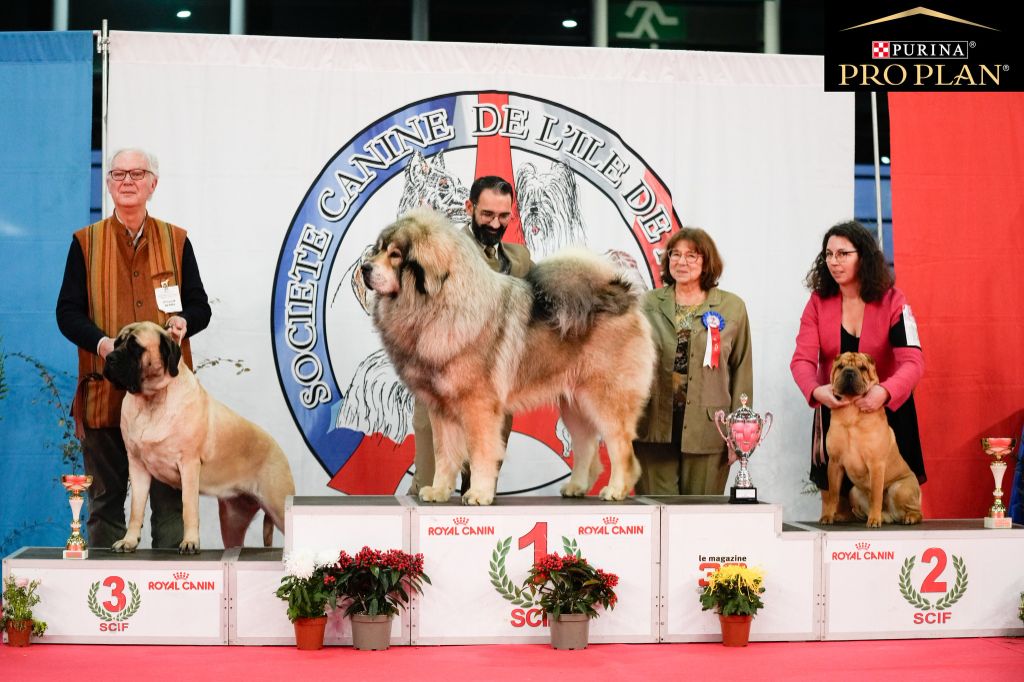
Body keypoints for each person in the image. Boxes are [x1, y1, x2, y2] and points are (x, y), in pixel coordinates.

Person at [56, 148, 212, 549]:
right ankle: (107, 603)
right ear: (107, 184)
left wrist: (185, 322)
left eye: (137, 173)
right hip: (105, 397)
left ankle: (173, 596)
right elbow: (67, 313)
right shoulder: (84, 243)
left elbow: (199, 305)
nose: (127, 181)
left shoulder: (177, 240)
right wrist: (103, 344)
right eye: (118, 174)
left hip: (171, 405)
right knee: (105, 502)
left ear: (153, 184)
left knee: (170, 507)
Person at [407, 175, 532, 495]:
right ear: (469, 207)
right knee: (430, 489)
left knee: (479, 492)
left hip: (493, 397)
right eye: (487, 214)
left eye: (504, 216)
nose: (495, 223)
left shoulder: (520, 260)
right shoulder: (439, 252)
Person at [790, 220, 925, 507]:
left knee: (896, 508)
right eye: (828, 255)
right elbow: (801, 360)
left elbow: (913, 362)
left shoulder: (894, 301)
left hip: (887, 412)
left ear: (862, 256)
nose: (833, 262)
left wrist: (885, 392)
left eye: (843, 254)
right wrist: (816, 391)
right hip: (836, 412)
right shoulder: (817, 302)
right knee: (836, 508)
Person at [633, 228, 753, 495]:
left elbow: (742, 369)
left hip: (709, 430)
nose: (681, 261)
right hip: (653, 426)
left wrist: (740, 433)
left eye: (691, 255)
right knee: (656, 512)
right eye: (675, 254)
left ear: (707, 261)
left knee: (700, 518)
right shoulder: (646, 303)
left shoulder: (732, 307)